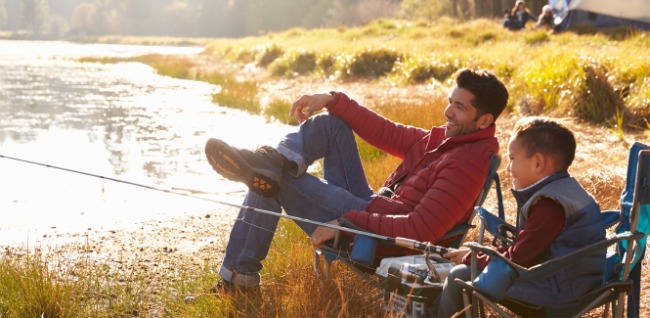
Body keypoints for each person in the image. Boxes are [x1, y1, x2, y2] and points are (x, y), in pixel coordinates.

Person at [203, 68, 509, 295]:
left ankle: (238, 280)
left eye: (459, 107)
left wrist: (348, 219)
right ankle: (274, 161)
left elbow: (421, 230)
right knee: (331, 125)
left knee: (273, 180)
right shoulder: (445, 140)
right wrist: (330, 99)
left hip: (378, 238)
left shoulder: (467, 163)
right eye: (449, 101)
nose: (448, 112)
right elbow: (386, 132)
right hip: (377, 205)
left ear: (484, 121)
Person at [435, 117, 606, 317]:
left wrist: (473, 257)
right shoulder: (565, 190)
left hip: (557, 296)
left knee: (460, 276)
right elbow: (528, 250)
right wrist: (485, 252)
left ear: (538, 163)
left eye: (513, 159)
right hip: (572, 283)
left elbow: (519, 259)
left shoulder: (549, 204)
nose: (508, 168)